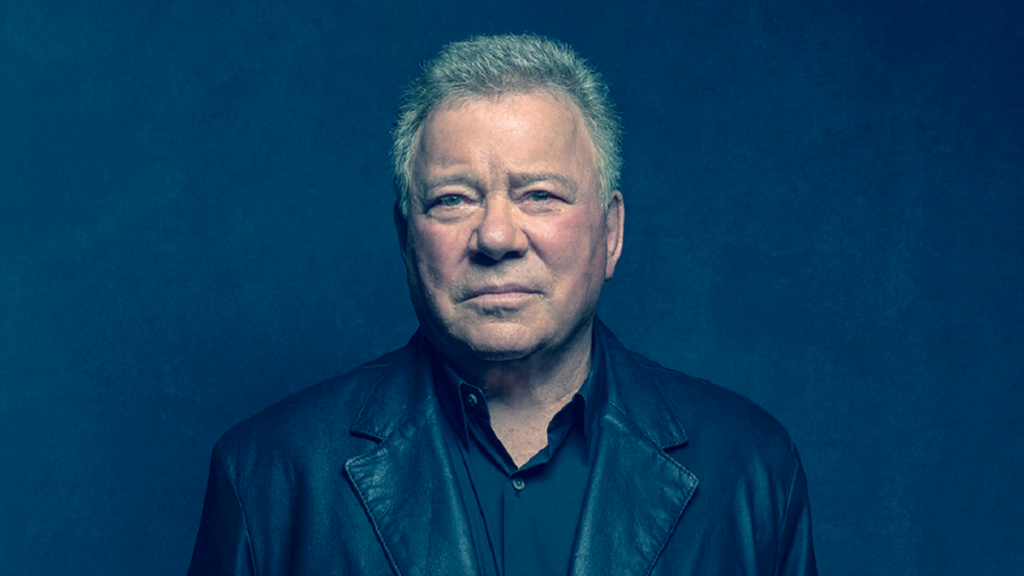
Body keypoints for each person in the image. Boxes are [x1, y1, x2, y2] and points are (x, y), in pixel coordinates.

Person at [188, 33, 817, 576]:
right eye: (453, 199)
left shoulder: (752, 468)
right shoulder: (267, 476)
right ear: (406, 238)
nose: (495, 237)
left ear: (611, 233)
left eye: (539, 195)